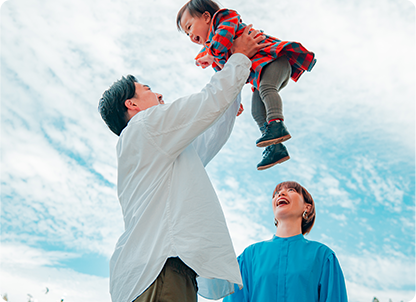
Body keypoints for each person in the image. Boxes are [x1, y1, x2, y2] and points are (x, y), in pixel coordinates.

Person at [98, 27, 266, 302]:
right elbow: (204, 105)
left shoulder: (154, 145)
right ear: (132, 105)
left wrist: (229, 90)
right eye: (148, 90)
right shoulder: (144, 127)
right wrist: (238, 58)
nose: (160, 96)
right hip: (161, 269)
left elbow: (207, 137)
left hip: (163, 269)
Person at [176, 0, 317, 170]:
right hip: (261, 75)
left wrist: (211, 55)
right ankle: (276, 148)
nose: (190, 36)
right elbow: (226, 76)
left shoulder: (224, 18)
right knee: (257, 111)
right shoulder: (214, 52)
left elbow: (222, 41)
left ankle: (277, 124)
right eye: (186, 33)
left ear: (206, 17)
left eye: (190, 27)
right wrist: (231, 101)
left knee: (266, 88)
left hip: (275, 60)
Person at [223, 181, 348, 302]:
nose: (281, 194)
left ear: (307, 207)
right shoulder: (249, 256)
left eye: (291, 190)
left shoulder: (323, 256)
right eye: (277, 193)